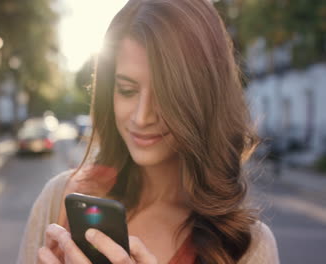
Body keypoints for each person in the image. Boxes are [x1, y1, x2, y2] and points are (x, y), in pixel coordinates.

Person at [17, 0, 279, 263]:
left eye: (166, 95)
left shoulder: (248, 246)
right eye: (127, 90)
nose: (142, 117)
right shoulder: (60, 197)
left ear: (203, 99)